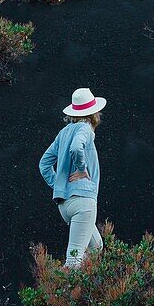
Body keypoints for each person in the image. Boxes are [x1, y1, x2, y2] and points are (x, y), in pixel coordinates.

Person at [38, 87, 107, 268]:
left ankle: (81, 290)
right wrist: (82, 169)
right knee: (74, 258)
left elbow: (44, 163)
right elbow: (77, 147)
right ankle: (64, 293)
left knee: (96, 246)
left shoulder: (63, 132)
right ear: (93, 114)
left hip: (65, 204)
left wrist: (59, 185)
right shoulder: (85, 128)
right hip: (83, 201)